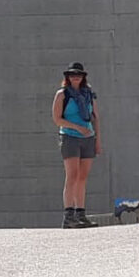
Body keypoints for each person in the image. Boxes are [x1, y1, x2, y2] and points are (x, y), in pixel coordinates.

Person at [52, 62, 101, 228]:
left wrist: (97, 140)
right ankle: (68, 215)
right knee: (72, 175)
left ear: (83, 77)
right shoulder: (62, 94)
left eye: (78, 74)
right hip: (70, 137)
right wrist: (77, 127)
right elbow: (57, 119)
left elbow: (95, 118)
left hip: (88, 138)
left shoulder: (88, 94)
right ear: (67, 77)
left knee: (82, 177)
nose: (76, 77)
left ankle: (81, 214)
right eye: (72, 74)